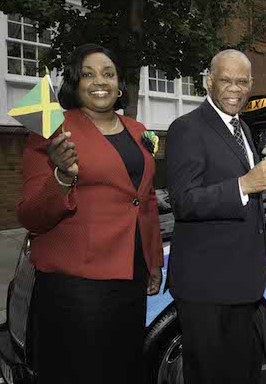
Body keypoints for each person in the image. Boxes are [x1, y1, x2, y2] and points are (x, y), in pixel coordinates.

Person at [17, 43, 164, 384]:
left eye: (109, 73)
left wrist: (153, 258)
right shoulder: (53, 129)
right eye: (88, 74)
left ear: (120, 84)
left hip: (130, 277)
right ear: (75, 83)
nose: (100, 81)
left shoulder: (138, 129)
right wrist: (62, 177)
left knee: (124, 368)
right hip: (76, 288)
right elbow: (31, 215)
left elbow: (147, 199)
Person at [166, 49, 266, 384]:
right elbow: (184, 202)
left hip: (242, 285)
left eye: (242, 81)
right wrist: (245, 183)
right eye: (226, 80)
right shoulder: (186, 129)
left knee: (241, 372)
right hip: (206, 287)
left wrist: (265, 183)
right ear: (209, 81)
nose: (234, 88)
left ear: (250, 84)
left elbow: (245, 196)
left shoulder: (243, 129)